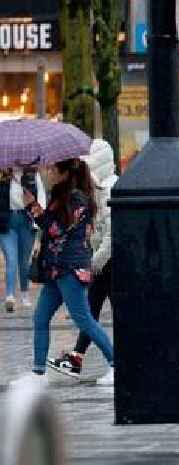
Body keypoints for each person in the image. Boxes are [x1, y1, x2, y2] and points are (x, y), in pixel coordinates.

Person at [13, 158, 114, 387]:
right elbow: (51, 226)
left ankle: (116, 365)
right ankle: (38, 374)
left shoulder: (77, 199)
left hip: (71, 268)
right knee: (40, 317)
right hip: (56, 270)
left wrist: (32, 206)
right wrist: (33, 204)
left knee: (85, 320)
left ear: (65, 173)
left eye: (52, 169)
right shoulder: (60, 196)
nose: (48, 172)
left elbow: (56, 229)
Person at [47, 140, 119, 377]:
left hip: (110, 263)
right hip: (101, 263)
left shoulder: (110, 190)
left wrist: (94, 262)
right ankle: (78, 358)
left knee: (100, 314)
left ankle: (117, 364)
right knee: (90, 312)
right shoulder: (98, 191)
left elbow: (111, 235)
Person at [0, 167, 46, 312]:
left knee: (24, 261)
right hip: (7, 222)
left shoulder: (32, 175)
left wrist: (38, 219)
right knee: (11, 259)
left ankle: (25, 295)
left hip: (27, 221)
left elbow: (42, 199)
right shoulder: (3, 176)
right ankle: (10, 296)